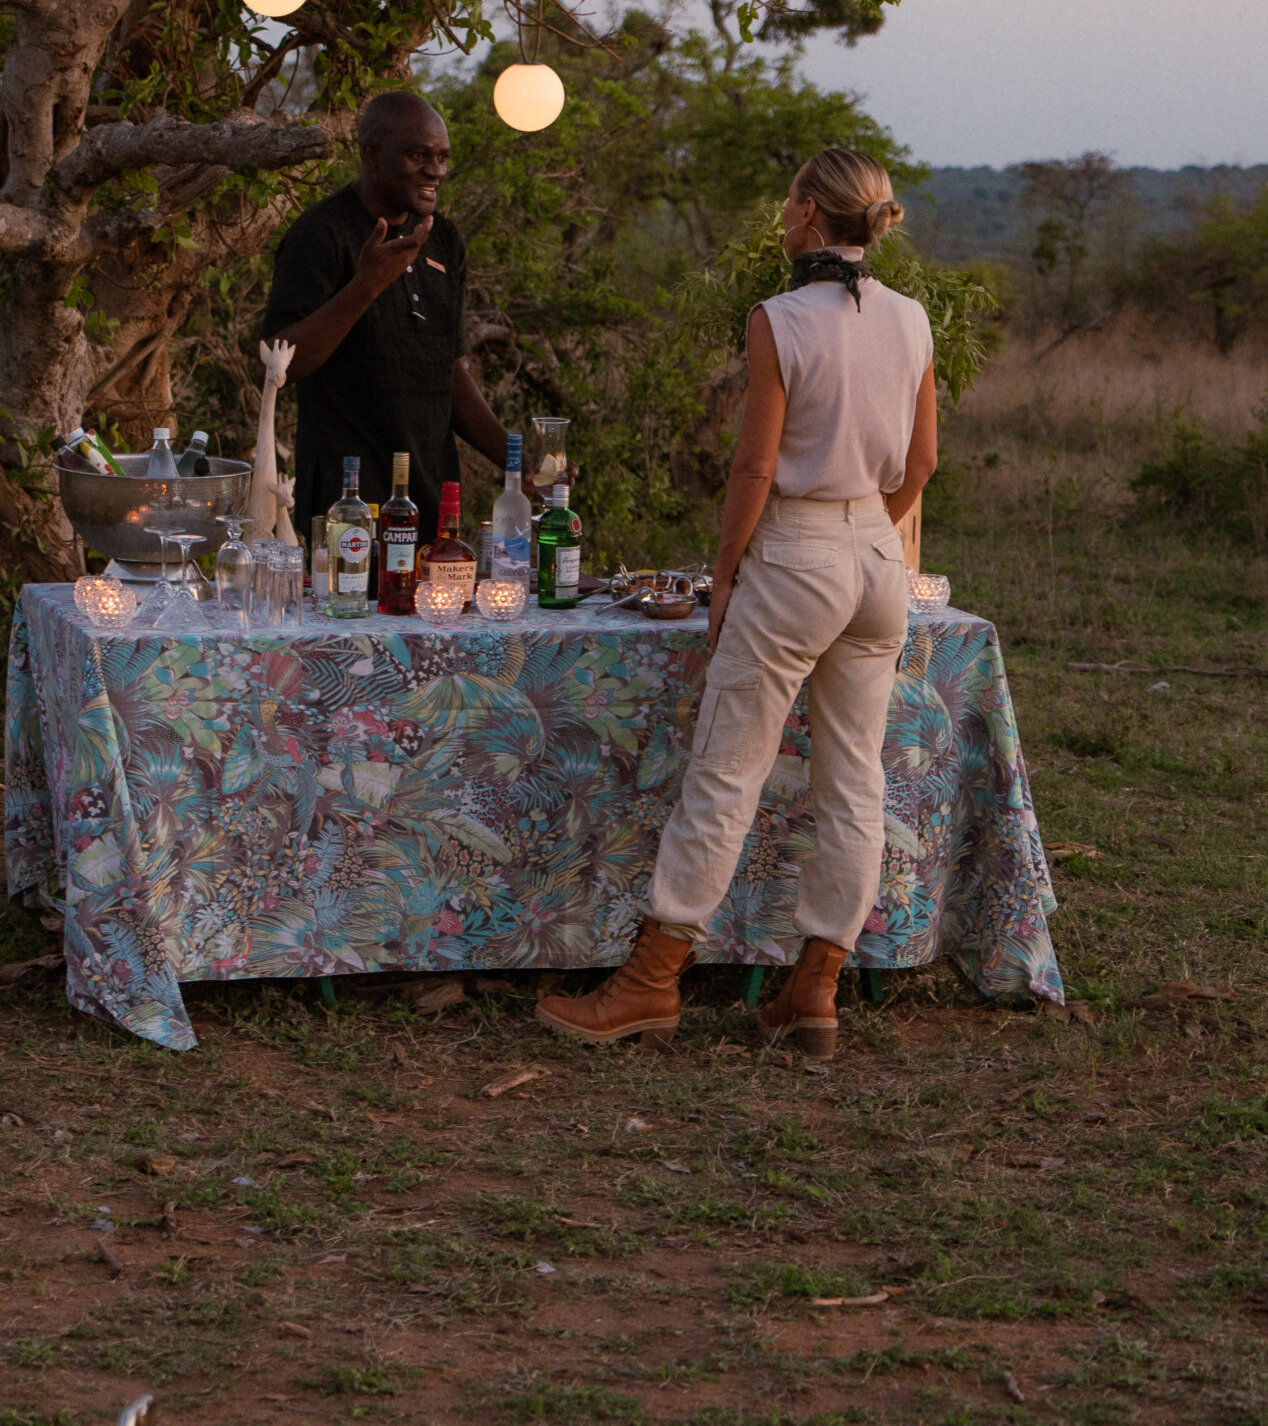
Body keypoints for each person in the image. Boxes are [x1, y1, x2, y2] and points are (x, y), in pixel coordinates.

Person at [538, 146, 938, 1058]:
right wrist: (871, 527)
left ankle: (650, 981)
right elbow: (922, 464)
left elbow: (755, 466)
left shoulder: (779, 319)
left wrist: (727, 575)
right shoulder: (912, 320)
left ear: (805, 216)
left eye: (789, 196)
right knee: (855, 777)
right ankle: (816, 988)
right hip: (878, 556)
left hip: (795, 553)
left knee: (727, 769)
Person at [263, 92, 514, 542]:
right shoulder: (321, 235)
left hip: (431, 494)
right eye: (418, 155)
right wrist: (365, 286)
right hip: (349, 501)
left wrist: (517, 460)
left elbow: (450, 372)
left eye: (441, 157)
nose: (435, 171)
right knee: (350, 613)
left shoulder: (444, 240)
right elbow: (281, 365)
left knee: (437, 611)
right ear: (371, 154)